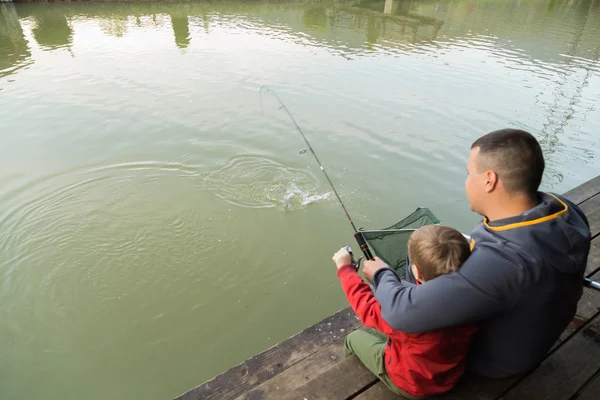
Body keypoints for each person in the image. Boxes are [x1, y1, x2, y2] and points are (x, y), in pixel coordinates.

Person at [362, 129, 591, 379]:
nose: (467, 181)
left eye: (469, 173)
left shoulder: (503, 262)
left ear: (489, 180)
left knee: (408, 276)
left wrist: (381, 273)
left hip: (497, 360)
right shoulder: (565, 209)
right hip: (537, 329)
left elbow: (400, 313)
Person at [332, 225, 479, 399]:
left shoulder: (410, 315)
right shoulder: (477, 299)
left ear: (415, 271)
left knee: (353, 338)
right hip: (449, 373)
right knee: (378, 330)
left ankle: (349, 374)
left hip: (412, 382)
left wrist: (345, 270)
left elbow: (367, 308)